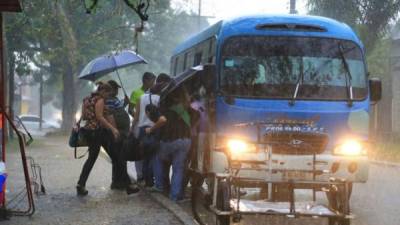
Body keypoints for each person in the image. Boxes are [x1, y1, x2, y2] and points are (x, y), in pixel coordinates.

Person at [147, 86, 199, 201]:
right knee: (178, 168)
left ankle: (159, 186)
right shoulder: (187, 110)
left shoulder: (165, 109)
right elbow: (197, 117)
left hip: (169, 141)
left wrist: (150, 130)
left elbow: (161, 122)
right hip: (186, 142)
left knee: (158, 157)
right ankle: (174, 196)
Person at [76, 82, 119, 196]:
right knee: (107, 157)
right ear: (103, 91)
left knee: (105, 156)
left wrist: (97, 111)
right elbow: (100, 118)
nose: (107, 97)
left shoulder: (87, 99)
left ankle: (81, 184)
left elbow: (84, 116)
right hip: (97, 132)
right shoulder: (100, 100)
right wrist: (113, 129)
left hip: (89, 132)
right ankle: (80, 184)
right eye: (107, 94)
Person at [132, 73, 171, 187]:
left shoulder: (141, 98)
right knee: (154, 156)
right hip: (154, 129)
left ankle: (147, 181)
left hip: (142, 130)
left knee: (145, 156)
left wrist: (132, 128)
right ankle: (153, 180)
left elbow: (136, 116)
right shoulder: (159, 99)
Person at [104, 80, 139, 194]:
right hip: (117, 133)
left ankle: (118, 182)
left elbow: (118, 110)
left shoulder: (114, 100)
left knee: (118, 158)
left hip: (120, 132)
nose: (117, 91)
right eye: (116, 89)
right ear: (111, 90)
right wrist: (116, 132)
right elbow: (111, 115)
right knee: (120, 157)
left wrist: (125, 103)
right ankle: (125, 183)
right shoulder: (108, 100)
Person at [129, 72, 156, 183]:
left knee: (150, 151)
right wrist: (137, 117)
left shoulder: (155, 94)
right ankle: (140, 174)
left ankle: (149, 174)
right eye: (152, 81)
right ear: (146, 81)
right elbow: (130, 109)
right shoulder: (136, 93)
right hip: (139, 125)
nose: (154, 83)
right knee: (139, 150)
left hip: (151, 126)